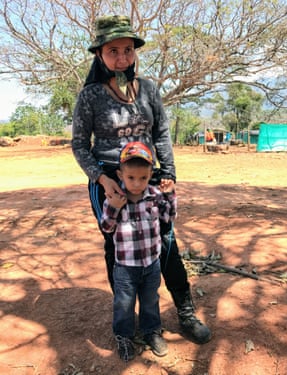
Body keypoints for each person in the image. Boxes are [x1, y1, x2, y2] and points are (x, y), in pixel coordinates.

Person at [72, 15, 211, 346]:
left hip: (150, 174)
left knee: (166, 241)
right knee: (116, 245)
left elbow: (161, 131)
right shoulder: (90, 95)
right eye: (113, 51)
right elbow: (79, 145)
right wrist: (102, 181)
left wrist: (170, 174)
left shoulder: (148, 89)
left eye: (128, 50)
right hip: (109, 178)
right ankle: (129, 317)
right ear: (99, 55)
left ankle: (186, 312)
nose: (122, 58)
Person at [101, 141, 176, 361]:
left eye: (143, 178)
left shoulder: (154, 195)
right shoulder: (114, 198)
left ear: (150, 174)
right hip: (125, 267)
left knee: (150, 299)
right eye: (131, 178)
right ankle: (123, 336)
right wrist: (114, 207)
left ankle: (151, 331)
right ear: (120, 174)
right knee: (124, 303)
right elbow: (106, 228)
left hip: (151, 264)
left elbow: (168, 218)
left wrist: (169, 195)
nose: (137, 183)